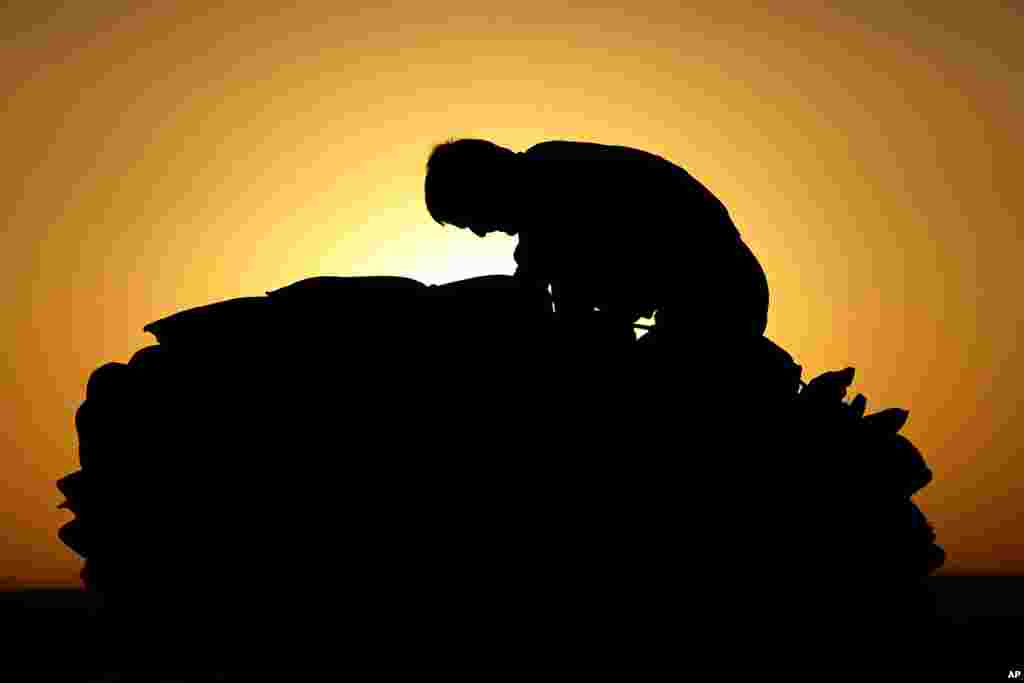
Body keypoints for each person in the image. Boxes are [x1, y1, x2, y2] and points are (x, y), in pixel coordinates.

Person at [423, 138, 770, 347]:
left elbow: (537, 294)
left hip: (721, 296)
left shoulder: (553, 186)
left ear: (482, 186)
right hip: (719, 293)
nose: (481, 233)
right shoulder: (546, 180)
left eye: (469, 219)